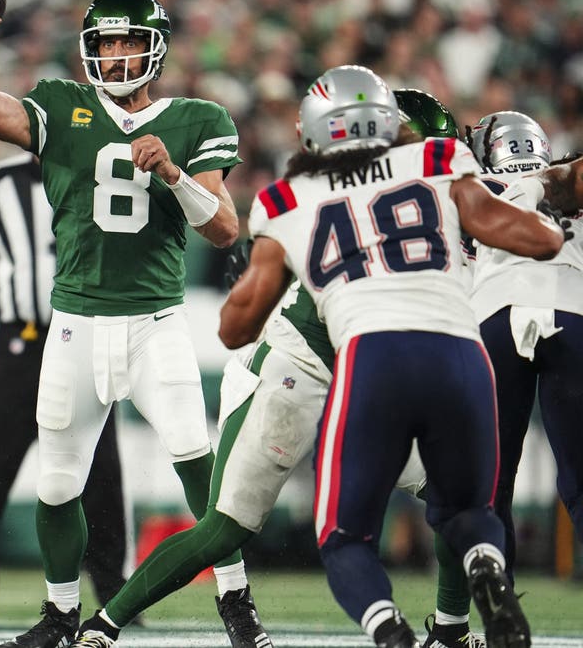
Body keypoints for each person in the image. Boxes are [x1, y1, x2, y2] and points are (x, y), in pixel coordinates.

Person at [66, 89, 486, 648]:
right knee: (225, 527)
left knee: (451, 496)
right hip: (299, 363)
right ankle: (104, 625)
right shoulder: (364, 198)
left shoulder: (404, 198)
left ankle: (452, 631)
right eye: (421, 149)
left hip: (366, 373)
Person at [0, 0, 269, 648]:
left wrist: (173, 174)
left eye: (128, 42)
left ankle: (236, 598)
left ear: (156, 48)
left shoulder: (197, 118)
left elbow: (225, 227)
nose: (116, 55)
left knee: (194, 458)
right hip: (75, 325)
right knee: (58, 481)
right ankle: (61, 614)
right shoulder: (63, 106)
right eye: (106, 43)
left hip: (156, 324)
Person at [220, 64, 563, 648]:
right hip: (461, 355)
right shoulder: (435, 161)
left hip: (373, 359)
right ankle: (485, 563)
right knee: (469, 509)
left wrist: (283, 261)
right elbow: (540, 239)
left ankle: (388, 629)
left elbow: (235, 328)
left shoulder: (288, 198)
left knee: (344, 537)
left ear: (315, 133)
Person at [0, 152, 132, 627]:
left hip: (87, 338)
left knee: (103, 474)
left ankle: (114, 596)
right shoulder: (2, 180)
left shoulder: (100, 166)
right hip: (22, 344)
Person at [465, 111, 583, 580]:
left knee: (493, 482)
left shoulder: (468, 183)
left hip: (495, 311)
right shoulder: (569, 178)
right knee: (580, 480)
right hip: (571, 311)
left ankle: (500, 605)